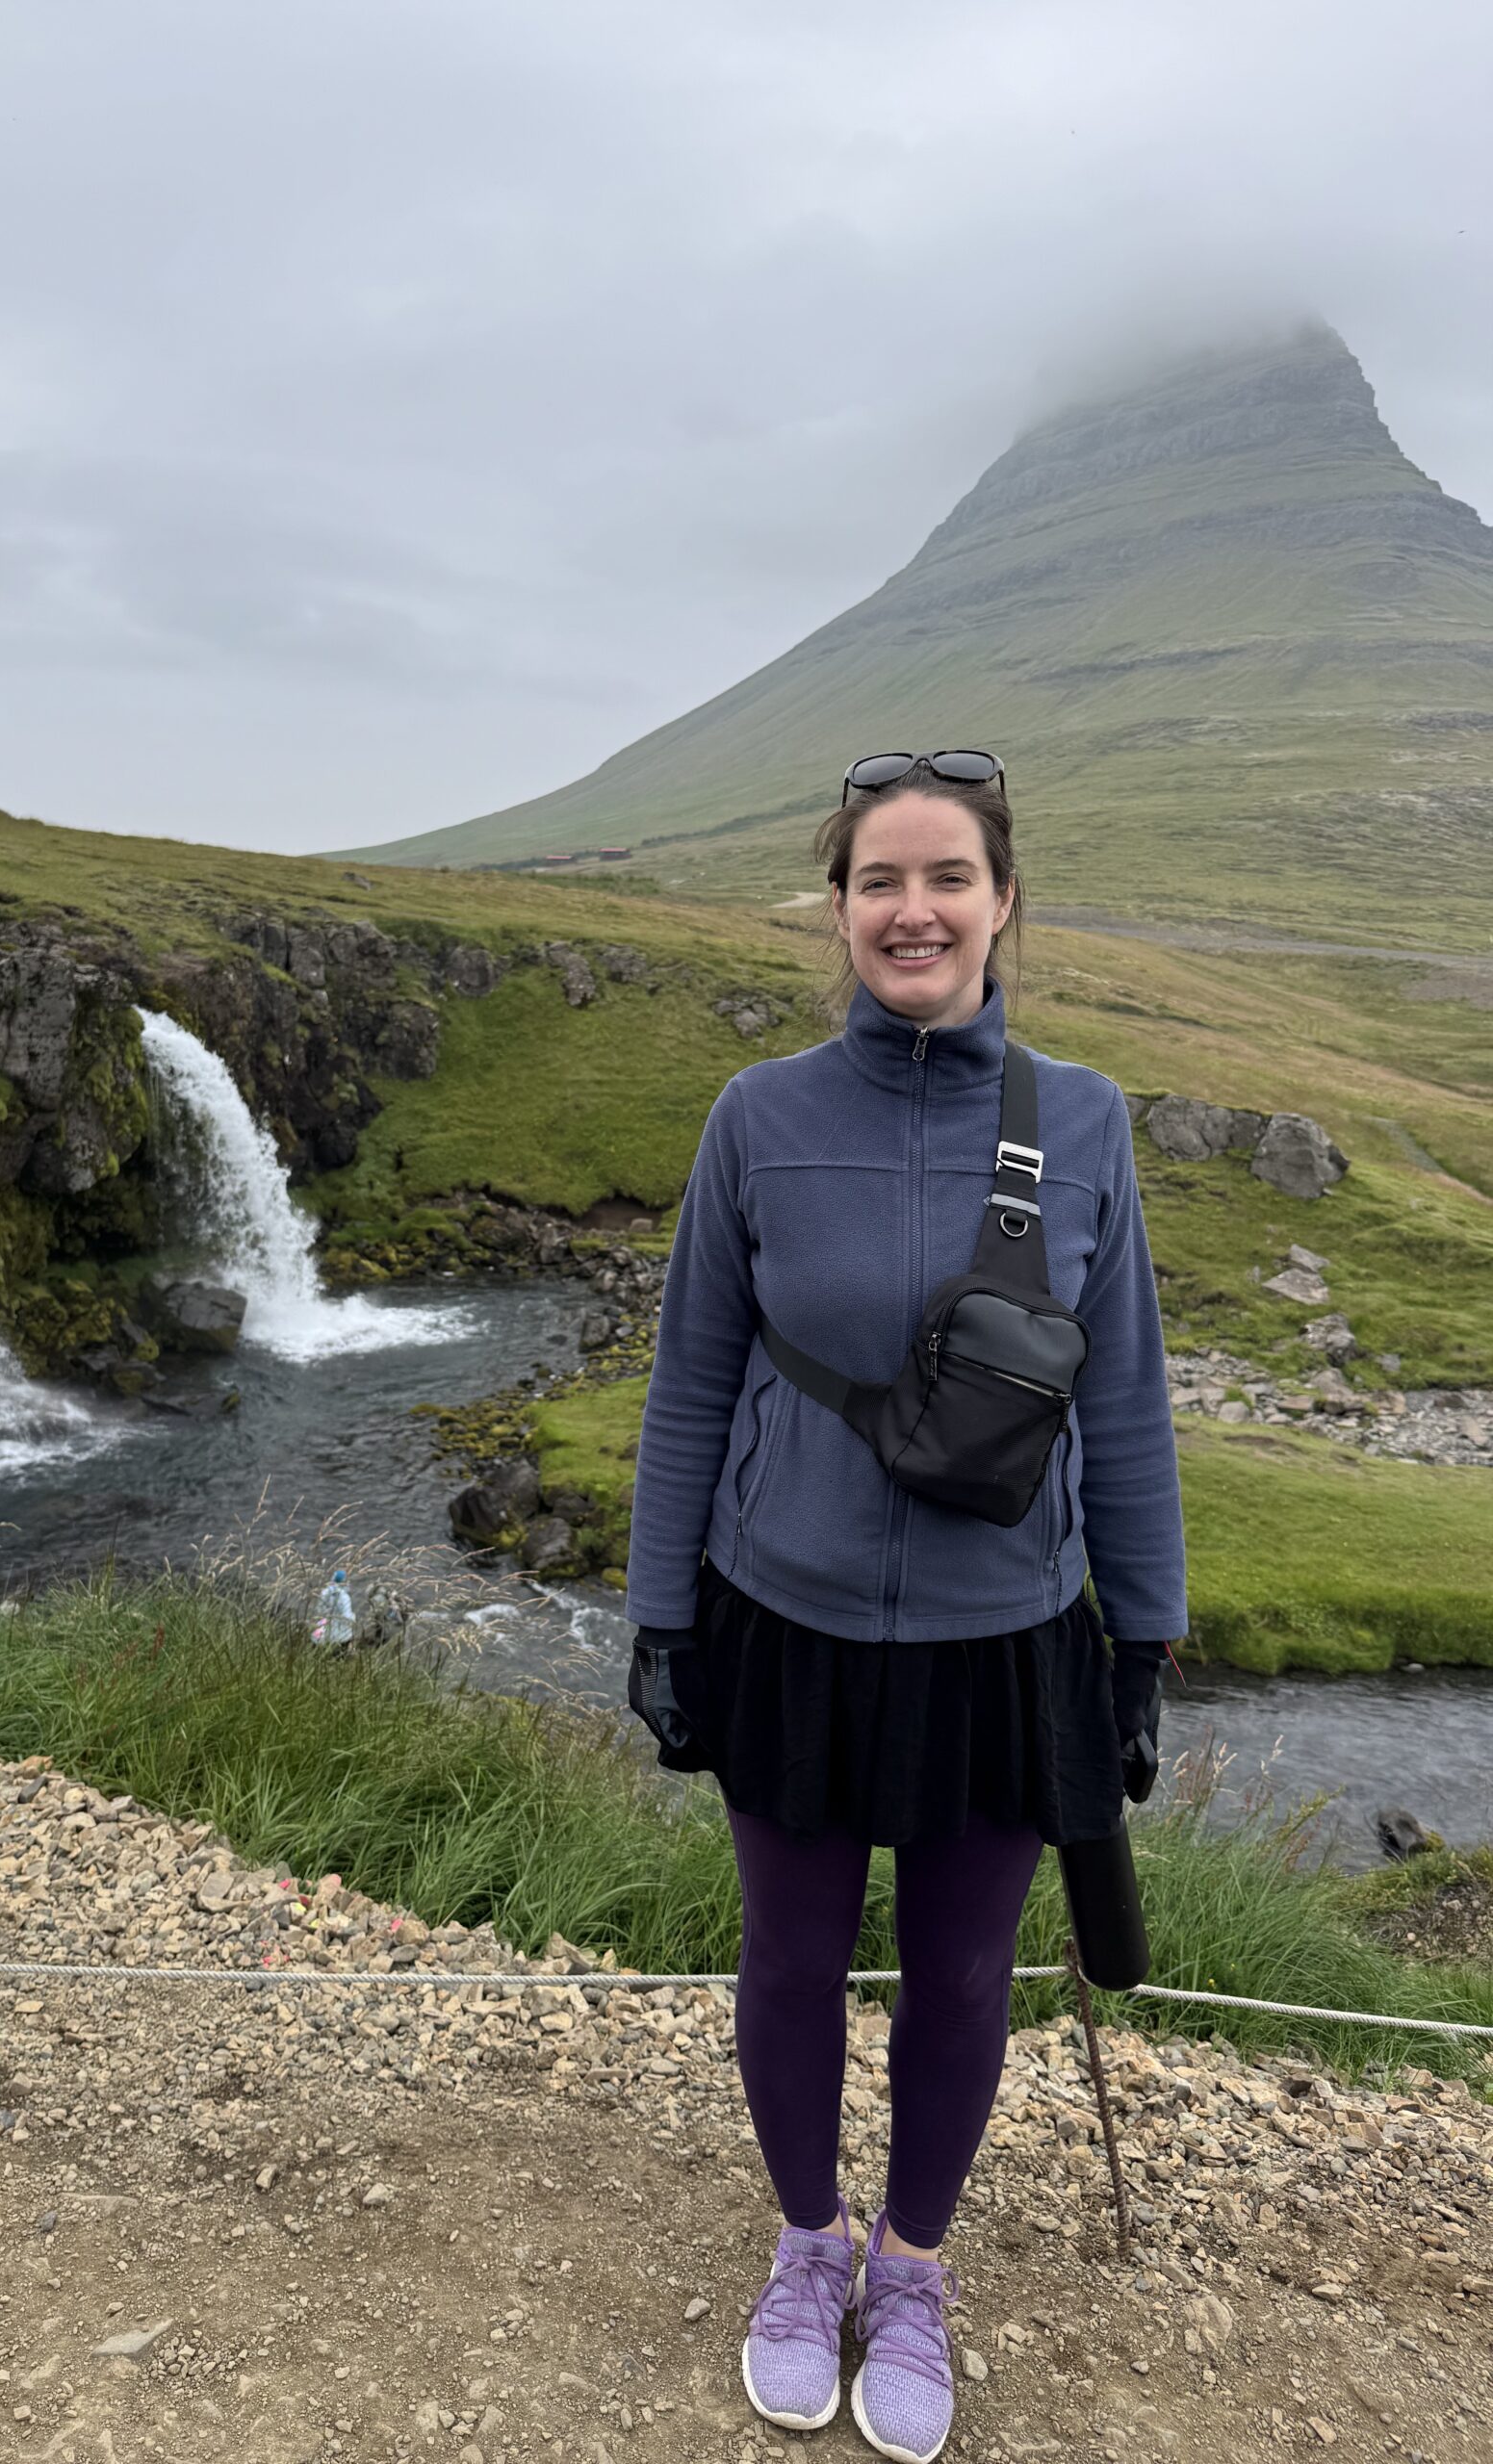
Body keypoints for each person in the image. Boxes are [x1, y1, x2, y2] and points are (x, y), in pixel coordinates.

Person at [624, 751, 1183, 2460]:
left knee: (960, 1977)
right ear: (842, 907)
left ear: (1005, 902)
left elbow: (1125, 1397)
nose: (914, 911)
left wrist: (1144, 1636)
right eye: (881, 880)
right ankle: (808, 2250)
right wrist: (662, 1616)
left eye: (949, 878)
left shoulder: (1084, 1122)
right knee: (792, 1961)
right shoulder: (760, 1117)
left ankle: (915, 2270)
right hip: (781, 1624)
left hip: (1005, 1640)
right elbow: (692, 1380)